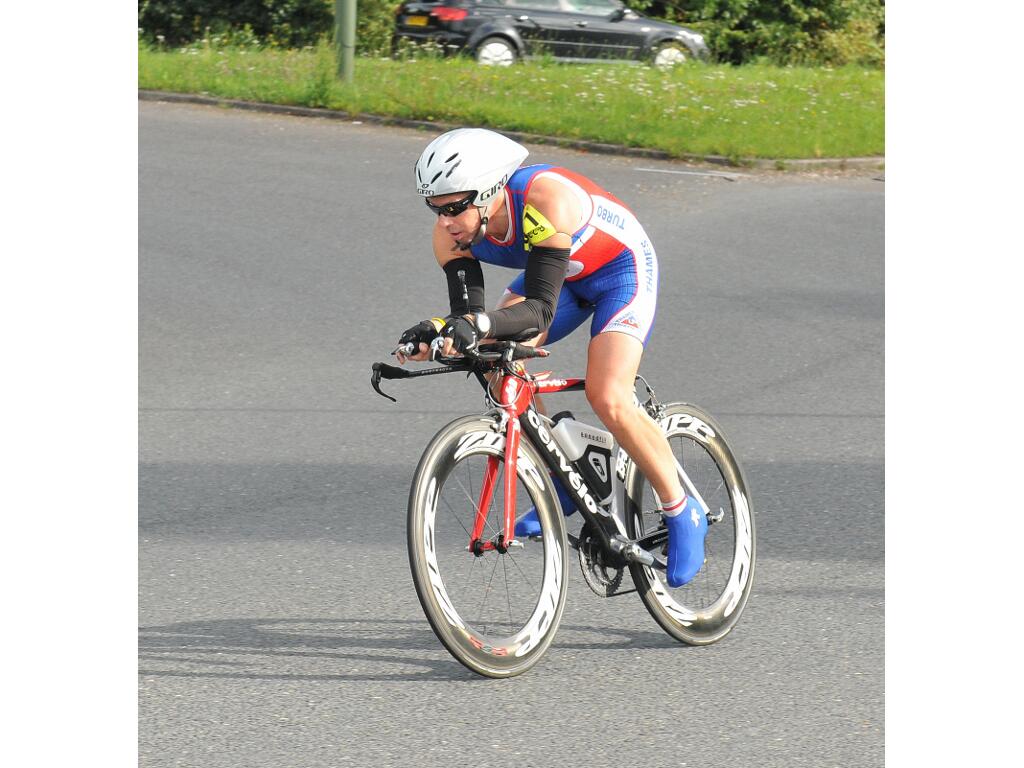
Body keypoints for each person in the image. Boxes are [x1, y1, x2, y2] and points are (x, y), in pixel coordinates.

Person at [395, 127, 706, 588]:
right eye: (435, 208)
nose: (445, 222)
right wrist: (440, 330)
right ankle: (560, 472)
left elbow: (539, 310)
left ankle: (682, 510)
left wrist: (476, 325)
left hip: (620, 272)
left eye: (455, 207)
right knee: (488, 355)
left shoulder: (545, 199)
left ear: (490, 192)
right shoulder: (451, 236)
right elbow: (470, 318)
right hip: (562, 276)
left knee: (608, 395)